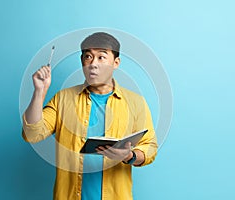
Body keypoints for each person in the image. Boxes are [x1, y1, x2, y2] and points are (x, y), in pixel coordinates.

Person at [22, 32, 158, 200]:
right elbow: (32, 133)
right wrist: (39, 92)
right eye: (88, 57)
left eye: (101, 57)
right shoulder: (63, 98)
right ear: (82, 62)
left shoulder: (136, 103)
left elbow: (150, 147)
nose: (93, 64)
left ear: (116, 63)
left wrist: (129, 156)